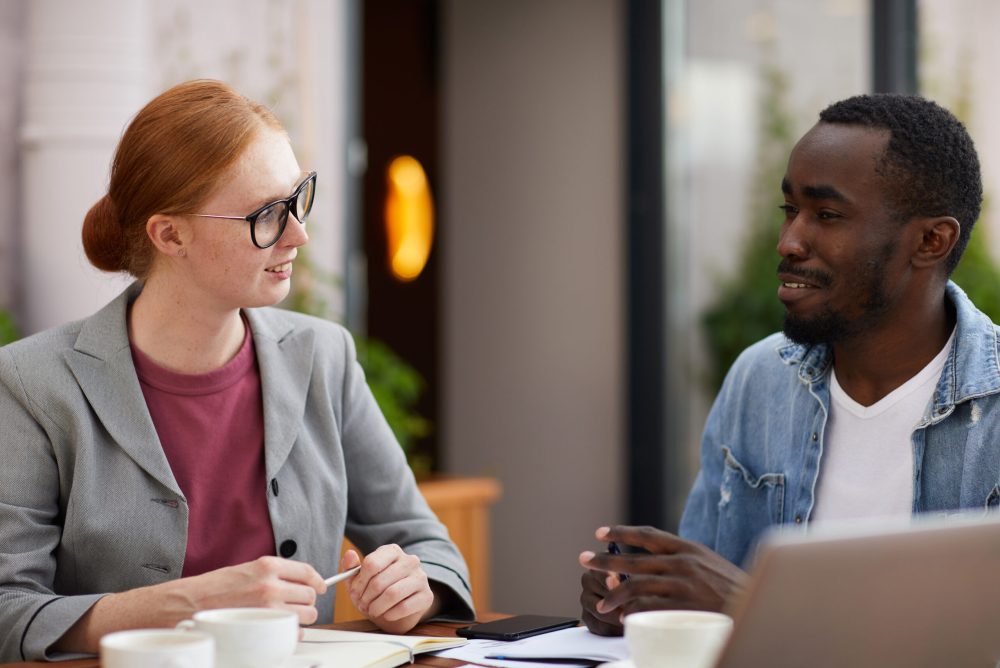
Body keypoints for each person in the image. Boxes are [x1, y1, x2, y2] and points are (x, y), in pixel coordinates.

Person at [0, 80, 474, 662]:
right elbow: (8, 609)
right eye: (267, 215)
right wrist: (187, 604)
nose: (298, 234)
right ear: (170, 234)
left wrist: (414, 589)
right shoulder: (31, 382)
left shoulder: (324, 356)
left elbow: (429, 547)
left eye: (298, 198)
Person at [579, 93, 1000, 635]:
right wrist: (640, 598)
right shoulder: (760, 379)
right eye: (789, 210)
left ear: (931, 240)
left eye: (826, 215)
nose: (789, 241)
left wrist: (754, 604)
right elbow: (700, 599)